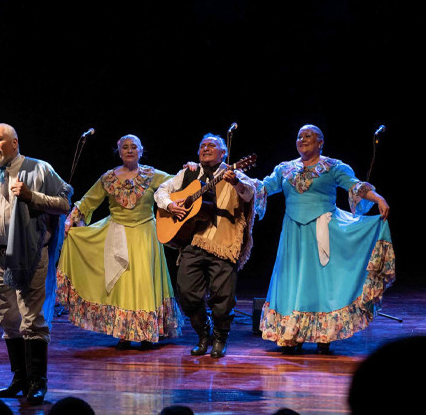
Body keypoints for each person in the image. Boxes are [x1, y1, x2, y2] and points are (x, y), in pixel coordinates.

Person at [0, 123, 72, 405]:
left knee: (32, 318)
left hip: (30, 254)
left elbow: (64, 202)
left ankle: (37, 382)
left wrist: (33, 197)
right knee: (8, 319)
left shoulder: (38, 168)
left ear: (14, 142)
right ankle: (20, 378)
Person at [251, 124, 393, 354]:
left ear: (320, 142)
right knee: (293, 279)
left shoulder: (333, 166)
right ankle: (292, 334)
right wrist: (238, 182)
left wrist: (377, 198)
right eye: (299, 136)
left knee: (321, 282)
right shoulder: (285, 169)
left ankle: (324, 336)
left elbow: (355, 186)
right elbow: (263, 188)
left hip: (322, 229)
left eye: (308, 136)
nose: (302, 139)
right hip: (293, 233)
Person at [56, 134, 181, 350]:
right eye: (125, 147)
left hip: (144, 235)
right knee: (120, 283)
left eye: (134, 147)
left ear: (141, 151)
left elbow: (177, 185)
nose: (130, 150)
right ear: (119, 151)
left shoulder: (153, 175)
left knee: (143, 282)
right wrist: (72, 217)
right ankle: (123, 332)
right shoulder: (108, 178)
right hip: (117, 233)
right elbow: (88, 201)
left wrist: (188, 171)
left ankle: (146, 332)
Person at [154, 133, 255, 358]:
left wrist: (236, 182)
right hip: (194, 242)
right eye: (202, 145)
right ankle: (203, 332)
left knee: (223, 297)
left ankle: (220, 337)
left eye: (212, 145)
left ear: (223, 153)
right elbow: (161, 191)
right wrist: (170, 206)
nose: (206, 148)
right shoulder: (188, 173)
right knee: (187, 293)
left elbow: (250, 195)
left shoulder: (234, 173)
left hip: (223, 243)